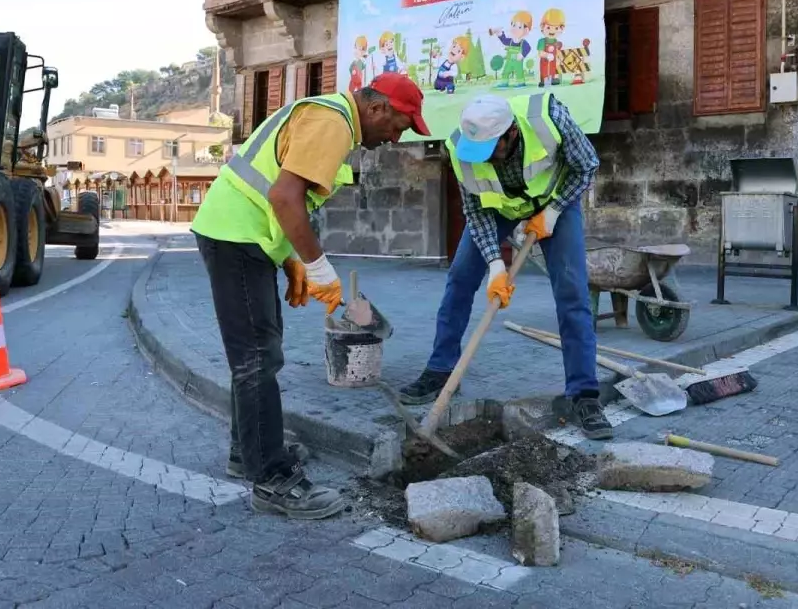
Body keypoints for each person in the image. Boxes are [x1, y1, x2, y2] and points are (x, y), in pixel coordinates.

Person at [190, 73, 429, 520]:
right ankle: (272, 478)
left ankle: (249, 450)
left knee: (259, 353)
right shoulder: (333, 122)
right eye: (398, 126)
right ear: (377, 109)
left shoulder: (331, 117)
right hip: (236, 238)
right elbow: (284, 197)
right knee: (257, 359)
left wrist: (289, 258)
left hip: (245, 238)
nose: (396, 138)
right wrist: (318, 268)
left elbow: (276, 191)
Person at [398, 92, 611, 439]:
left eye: (491, 149)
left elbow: (587, 165)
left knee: (572, 292)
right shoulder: (460, 148)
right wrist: (496, 264)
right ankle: (440, 370)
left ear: (511, 133)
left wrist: (554, 211)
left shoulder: (548, 119)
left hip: (554, 203)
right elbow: (475, 211)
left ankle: (584, 394)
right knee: (460, 279)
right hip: (498, 210)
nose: (484, 158)